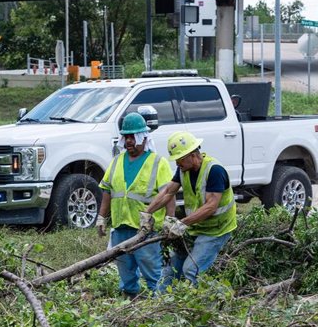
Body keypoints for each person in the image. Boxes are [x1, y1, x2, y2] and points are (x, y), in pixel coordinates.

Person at [142, 131, 237, 292]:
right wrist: (147, 212)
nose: (177, 163)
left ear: (192, 155)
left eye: (180, 159)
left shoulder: (214, 171)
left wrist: (182, 223)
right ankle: (158, 306)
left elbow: (210, 207)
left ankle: (194, 307)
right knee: (171, 270)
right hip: (195, 227)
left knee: (191, 270)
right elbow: (168, 192)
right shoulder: (183, 170)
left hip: (216, 230)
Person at [96, 112, 174, 299]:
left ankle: (159, 302)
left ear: (143, 137)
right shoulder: (116, 162)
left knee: (151, 269)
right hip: (121, 226)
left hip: (146, 229)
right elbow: (107, 191)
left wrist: (170, 219)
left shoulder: (157, 162)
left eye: (133, 137)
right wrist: (101, 217)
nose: (129, 141)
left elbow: (169, 194)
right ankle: (130, 299)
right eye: (126, 137)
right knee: (125, 269)